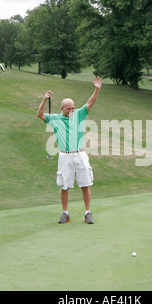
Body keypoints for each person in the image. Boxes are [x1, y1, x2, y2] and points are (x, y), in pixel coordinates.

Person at [37, 77, 102, 224]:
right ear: (62, 109)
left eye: (73, 108)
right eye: (69, 109)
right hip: (64, 156)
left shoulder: (79, 114)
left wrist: (97, 89)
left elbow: (91, 102)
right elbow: (39, 115)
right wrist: (44, 100)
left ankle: (87, 213)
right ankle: (65, 213)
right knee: (64, 185)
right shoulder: (54, 118)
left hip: (80, 154)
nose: (72, 110)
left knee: (85, 184)